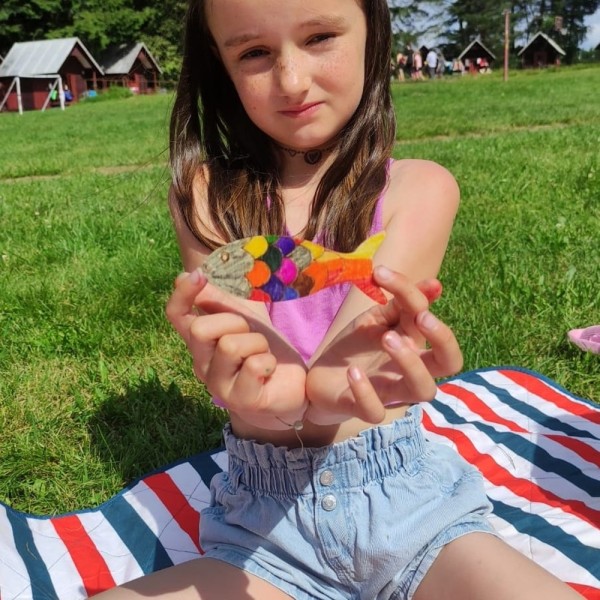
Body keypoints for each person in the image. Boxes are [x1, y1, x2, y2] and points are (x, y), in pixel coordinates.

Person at [97, 0, 584, 598]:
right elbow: (263, 367)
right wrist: (267, 397)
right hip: (262, 533)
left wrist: (333, 391)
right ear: (218, 64)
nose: (291, 80)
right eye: (254, 52)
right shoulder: (205, 195)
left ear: (372, 33)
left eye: (320, 37)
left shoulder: (419, 188)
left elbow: (346, 366)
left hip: (413, 510)